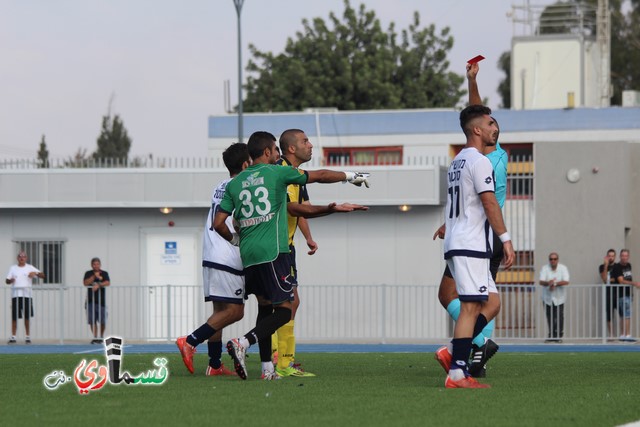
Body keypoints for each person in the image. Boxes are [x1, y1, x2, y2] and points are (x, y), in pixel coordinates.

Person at [214, 130, 369, 380]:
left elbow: (219, 222)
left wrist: (234, 239)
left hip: (248, 254)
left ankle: (267, 369)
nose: (277, 155)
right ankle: (243, 342)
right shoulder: (276, 172)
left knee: (265, 308)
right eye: (275, 150)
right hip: (274, 252)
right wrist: (351, 176)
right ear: (267, 151)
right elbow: (318, 176)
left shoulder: (235, 183)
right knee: (286, 309)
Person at [433, 61, 508, 379]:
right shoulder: (479, 156)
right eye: (490, 123)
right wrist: (472, 80)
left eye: (494, 124)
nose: (493, 126)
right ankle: (473, 349)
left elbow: (475, 115)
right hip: (474, 235)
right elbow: (476, 114)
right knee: (475, 301)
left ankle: (469, 349)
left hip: (482, 236)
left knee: (466, 300)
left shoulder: (479, 158)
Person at [175, 142, 250, 376]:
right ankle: (190, 341)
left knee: (219, 312)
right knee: (236, 311)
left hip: (211, 253)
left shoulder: (220, 185)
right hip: (227, 254)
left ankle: (214, 364)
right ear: (246, 163)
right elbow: (237, 221)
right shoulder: (241, 186)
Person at [271, 128, 319, 378]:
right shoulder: (279, 171)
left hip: (285, 247)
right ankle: (280, 360)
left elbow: (302, 210)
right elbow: (293, 208)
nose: (310, 145)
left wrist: (308, 237)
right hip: (275, 248)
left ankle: (280, 359)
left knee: (287, 302)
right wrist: (334, 208)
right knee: (284, 303)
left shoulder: (297, 175)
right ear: (291, 148)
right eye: (305, 141)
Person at [5, 251, 45, 344]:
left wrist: (35, 273)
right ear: (17, 258)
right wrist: (10, 280)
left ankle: (27, 336)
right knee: (14, 317)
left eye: (23, 257)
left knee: (27, 316)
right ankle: (13, 337)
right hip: (15, 295)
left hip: (27, 295)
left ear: (26, 258)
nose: (22, 258)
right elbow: (6, 280)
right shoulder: (13, 268)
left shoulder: (30, 267)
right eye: (20, 257)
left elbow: (43, 275)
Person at [539, 252, 570, 343]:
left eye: (555, 259)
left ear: (557, 260)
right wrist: (549, 283)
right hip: (547, 297)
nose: (553, 261)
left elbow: (566, 281)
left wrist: (555, 284)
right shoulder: (545, 268)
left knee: (559, 316)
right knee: (550, 317)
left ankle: (558, 335)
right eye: (551, 259)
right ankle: (551, 335)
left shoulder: (563, 268)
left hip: (559, 298)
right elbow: (541, 281)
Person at [611, 249, 640, 341]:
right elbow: (621, 281)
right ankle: (627, 335)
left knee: (624, 315)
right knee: (626, 315)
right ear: (620, 256)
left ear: (628, 257)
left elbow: (628, 278)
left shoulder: (629, 265)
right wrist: (634, 283)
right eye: (623, 255)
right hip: (621, 294)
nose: (624, 257)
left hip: (628, 293)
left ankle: (623, 335)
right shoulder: (617, 267)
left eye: (626, 256)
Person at [83, 257, 110, 344]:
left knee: (102, 320)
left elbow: (108, 282)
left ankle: (101, 337)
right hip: (91, 301)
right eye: (94, 264)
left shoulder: (104, 273)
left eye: (97, 264)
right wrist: (95, 276)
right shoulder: (88, 273)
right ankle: (95, 337)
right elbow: (85, 283)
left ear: (100, 264)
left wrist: (98, 284)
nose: (96, 266)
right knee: (92, 320)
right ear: (92, 265)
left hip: (101, 301)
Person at [599, 248, 617, 338]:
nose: (611, 258)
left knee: (622, 314)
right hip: (608, 294)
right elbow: (604, 279)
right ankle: (611, 335)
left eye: (612, 256)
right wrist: (606, 266)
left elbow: (618, 279)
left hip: (618, 294)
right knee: (609, 315)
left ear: (615, 257)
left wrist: (612, 279)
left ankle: (623, 335)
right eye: (609, 256)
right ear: (606, 257)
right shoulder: (602, 267)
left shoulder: (618, 266)